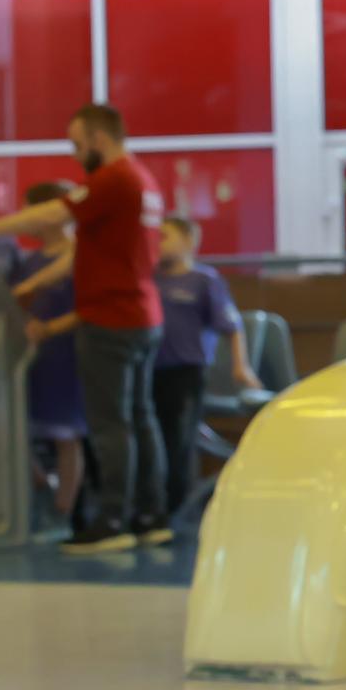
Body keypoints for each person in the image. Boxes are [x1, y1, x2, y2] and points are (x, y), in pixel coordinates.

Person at [0, 103, 168, 555]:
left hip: (111, 320)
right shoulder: (143, 182)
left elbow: (48, 215)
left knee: (111, 424)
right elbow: (88, 254)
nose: (76, 155)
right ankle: (151, 515)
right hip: (141, 316)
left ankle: (113, 518)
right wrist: (33, 283)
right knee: (138, 417)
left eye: (77, 145)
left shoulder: (114, 179)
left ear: (99, 138)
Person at [153, 215, 260, 520]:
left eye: (165, 236)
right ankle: (150, 503)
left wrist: (242, 367)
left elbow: (231, 326)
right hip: (151, 371)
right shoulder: (150, 280)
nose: (157, 244)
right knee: (155, 438)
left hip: (186, 373)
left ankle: (171, 509)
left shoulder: (204, 280)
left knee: (178, 440)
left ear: (188, 242)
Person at [10, 181, 89, 530]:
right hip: (33, 358)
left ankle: (65, 508)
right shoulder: (28, 262)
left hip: (69, 355)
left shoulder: (81, 256)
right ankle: (42, 489)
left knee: (67, 435)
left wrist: (51, 328)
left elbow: (89, 309)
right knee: (22, 429)